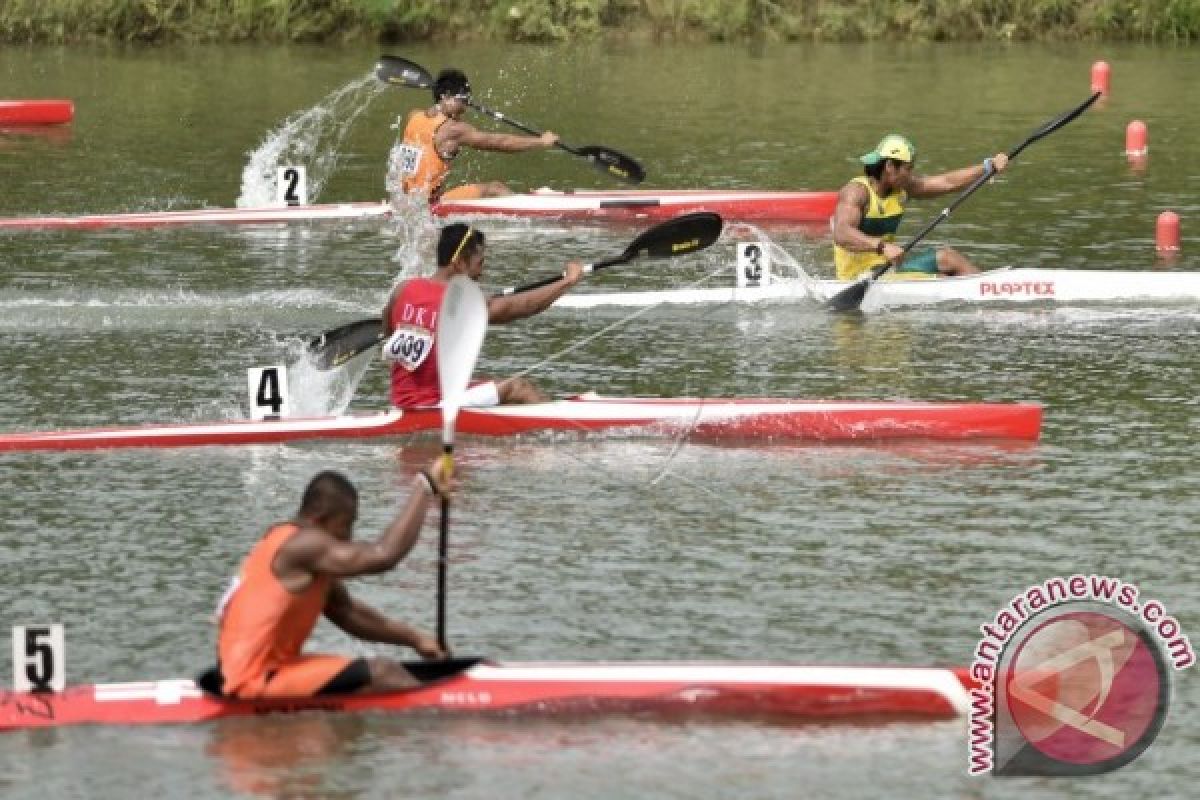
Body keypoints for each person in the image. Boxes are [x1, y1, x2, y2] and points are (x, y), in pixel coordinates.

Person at [212, 461, 451, 698]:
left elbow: (347, 613)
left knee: (374, 675)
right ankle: (449, 713)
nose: (349, 536)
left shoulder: (293, 548)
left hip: (253, 671)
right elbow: (384, 555)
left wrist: (417, 639)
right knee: (383, 672)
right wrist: (425, 485)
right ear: (321, 518)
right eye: (347, 525)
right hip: (250, 680)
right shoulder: (304, 546)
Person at [382, 222, 583, 408]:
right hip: (433, 404)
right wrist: (567, 281)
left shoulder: (404, 289)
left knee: (485, 381)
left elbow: (388, 331)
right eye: (479, 263)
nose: (481, 272)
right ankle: (560, 428)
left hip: (401, 398)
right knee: (518, 388)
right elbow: (526, 306)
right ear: (460, 263)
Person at [832, 134, 1009, 281]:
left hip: (889, 269)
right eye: (907, 169)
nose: (911, 174)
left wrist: (987, 167)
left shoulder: (902, 188)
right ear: (889, 166)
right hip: (860, 277)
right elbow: (841, 232)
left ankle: (989, 290)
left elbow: (947, 182)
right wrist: (882, 247)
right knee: (941, 279)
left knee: (948, 256)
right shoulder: (856, 192)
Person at [389, 68, 559, 201]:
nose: (465, 107)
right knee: (495, 189)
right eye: (463, 101)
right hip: (429, 204)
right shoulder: (453, 130)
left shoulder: (414, 116)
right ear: (445, 97)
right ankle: (528, 211)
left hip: (406, 200)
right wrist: (541, 142)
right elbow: (498, 142)